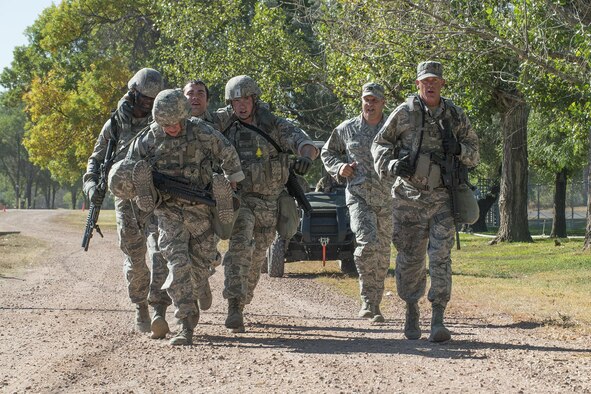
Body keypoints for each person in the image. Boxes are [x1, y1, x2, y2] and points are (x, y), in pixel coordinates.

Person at [371, 61, 479, 342]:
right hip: (408, 198)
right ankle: (411, 309)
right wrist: (392, 165)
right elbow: (379, 144)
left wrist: (459, 149)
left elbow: (475, 153)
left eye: (435, 81)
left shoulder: (455, 115)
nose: (430, 85)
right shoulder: (404, 113)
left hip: (443, 198)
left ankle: (438, 318)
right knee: (410, 258)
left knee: (441, 257)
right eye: (425, 81)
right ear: (418, 84)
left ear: (442, 84)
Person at [126, 88, 244, 345]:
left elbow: (228, 153)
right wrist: (130, 186)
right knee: (178, 265)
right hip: (167, 210)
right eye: (164, 124)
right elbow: (128, 166)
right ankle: (185, 326)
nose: (170, 128)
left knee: (199, 268)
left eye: (175, 123)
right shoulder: (149, 137)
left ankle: (221, 201)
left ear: (185, 116)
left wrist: (232, 181)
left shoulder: (201, 131)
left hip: (200, 207)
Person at [213, 75, 319, 333]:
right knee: (239, 248)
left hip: (270, 203)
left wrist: (306, 157)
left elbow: (305, 143)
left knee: (257, 255)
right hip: (240, 201)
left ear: (254, 99)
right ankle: (234, 306)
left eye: (245, 99)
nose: (240, 105)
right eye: (235, 100)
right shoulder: (222, 124)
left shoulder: (274, 125)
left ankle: (244, 296)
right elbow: (195, 129)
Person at [82, 68, 171, 337]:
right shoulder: (115, 124)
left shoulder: (164, 123)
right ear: (133, 94)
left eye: (151, 101)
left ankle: (159, 309)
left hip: (158, 197)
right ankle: (140, 306)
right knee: (135, 258)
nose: (147, 105)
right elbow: (95, 161)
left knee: (160, 253)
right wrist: (90, 187)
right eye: (143, 99)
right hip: (125, 200)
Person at [321, 82, 392, 323]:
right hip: (359, 197)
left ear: (383, 103)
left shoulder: (393, 129)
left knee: (382, 252)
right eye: (366, 99)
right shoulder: (347, 129)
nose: (369, 104)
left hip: (388, 199)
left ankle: (377, 303)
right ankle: (367, 301)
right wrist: (339, 168)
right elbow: (327, 153)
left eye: (374, 100)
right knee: (366, 244)